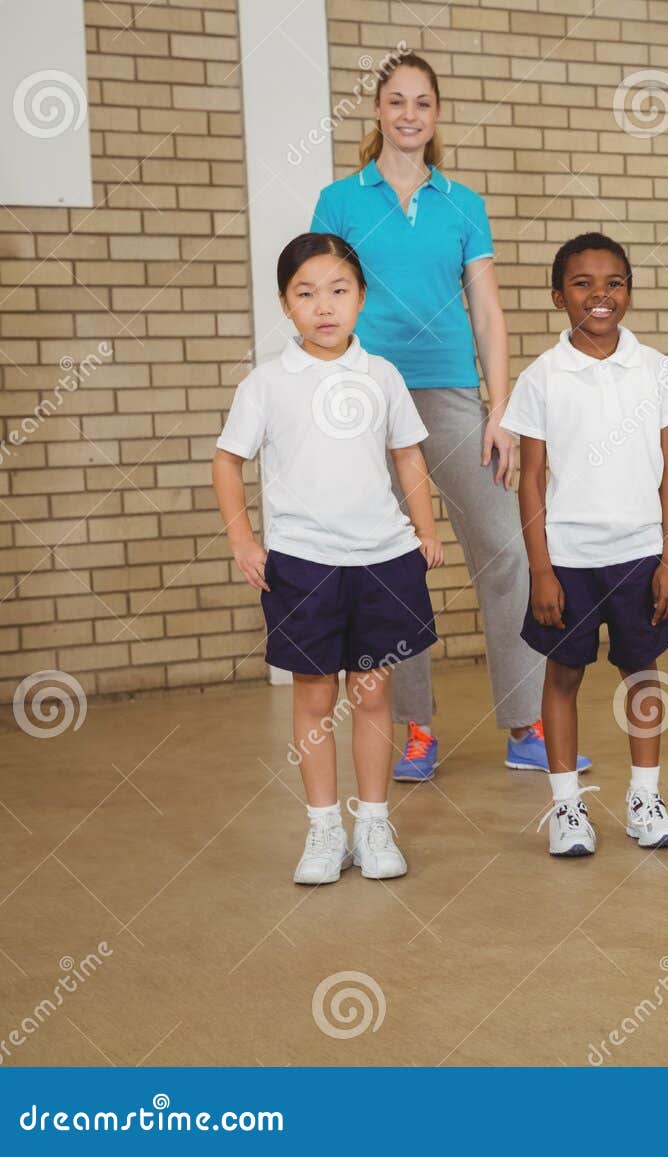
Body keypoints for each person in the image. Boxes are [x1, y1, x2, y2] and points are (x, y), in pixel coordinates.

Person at [310, 52, 586, 781]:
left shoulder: (463, 203)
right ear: (377, 112)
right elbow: (321, 294)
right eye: (395, 101)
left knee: (507, 550)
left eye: (422, 103)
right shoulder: (340, 200)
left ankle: (525, 722)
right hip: (366, 396)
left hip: (451, 393)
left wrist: (500, 406)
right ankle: (418, 729)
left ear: (436, 115)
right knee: (393, 565)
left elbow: (487, 311)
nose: (408, 114)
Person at [213, 233, 442, 884]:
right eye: (305, 293)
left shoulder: (382, 375)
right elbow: (227, 462)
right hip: (304, 564)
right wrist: (243, 541)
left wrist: (425, 528)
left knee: (372, 694)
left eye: (338, 290)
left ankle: (373, 822)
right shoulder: (267, 384)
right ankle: (323, 830)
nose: (324, 306)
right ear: (286, 305)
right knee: (314, 697)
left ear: (361, 298)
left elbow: (408, 454)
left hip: (382, 558)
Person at [504, 233, 668, 856]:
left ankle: (645, 796)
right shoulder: (542, 378)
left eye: (614, 282)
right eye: (583, 283)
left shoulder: (656, 368)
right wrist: (541, 570)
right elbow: (530, 479)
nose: (600, 294)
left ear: (629, 292)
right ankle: (566, 807)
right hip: (568, 560)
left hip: (640, 556)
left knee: (643, 675)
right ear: (559, 296)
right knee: (563, 676)